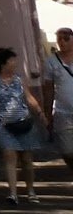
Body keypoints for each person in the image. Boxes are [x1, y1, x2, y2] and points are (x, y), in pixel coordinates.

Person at [0, 46, 40, 204]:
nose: (14, 63)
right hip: (3, 124)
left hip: (23, 123)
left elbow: (28, 97)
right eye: (12, 60)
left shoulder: (20, 79)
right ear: (2, 64)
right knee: (9, 156)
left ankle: (31, 191)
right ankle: (13, 193)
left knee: (26, 159)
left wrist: (40, 113)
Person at [42, 28, 73, 175]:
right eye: (59, 39)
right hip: (63, 112)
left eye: (66, 38)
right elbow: (48, 89)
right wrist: (47, 113)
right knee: (67, 150)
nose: (62, 42)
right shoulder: (51, 61)